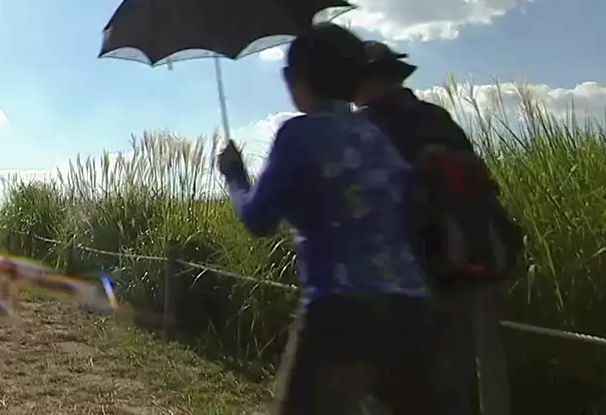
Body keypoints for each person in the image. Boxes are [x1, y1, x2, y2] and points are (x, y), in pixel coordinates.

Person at [218, 23, 440, 415]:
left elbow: (257, 219)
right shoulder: (375, 134)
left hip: (340, 311)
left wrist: (234, 175)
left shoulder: (300, 134)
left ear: (293, 79)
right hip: (411, 311)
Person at [355, 41, 519, 415]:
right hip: (464, 260)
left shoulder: (368, 126)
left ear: (366, 80)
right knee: (453, 387)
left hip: (403, 277)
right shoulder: (436, 117)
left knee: (390, 391)